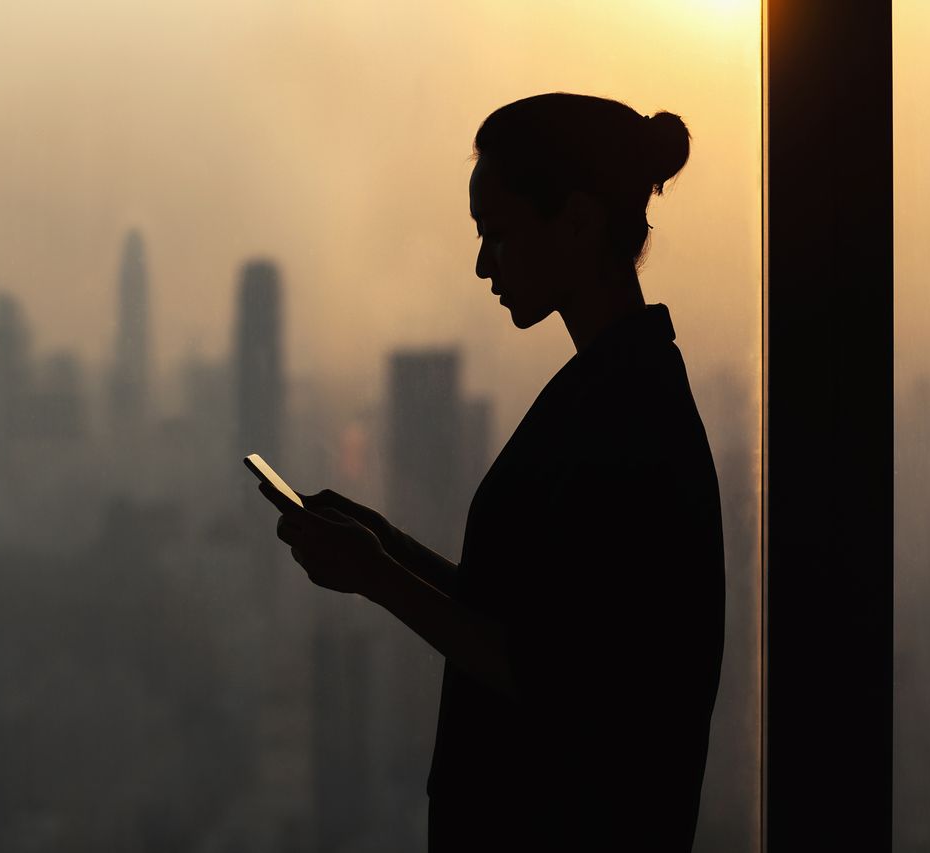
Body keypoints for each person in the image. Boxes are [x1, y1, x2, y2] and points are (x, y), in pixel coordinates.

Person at [258, 92, 725, 851]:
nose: (483, 264)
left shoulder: (624, 415)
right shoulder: (613, 391)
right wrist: (385, 546)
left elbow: (555, 677)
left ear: (575, 222)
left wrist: (378, 573)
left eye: (498, 235)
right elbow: (534, 624)